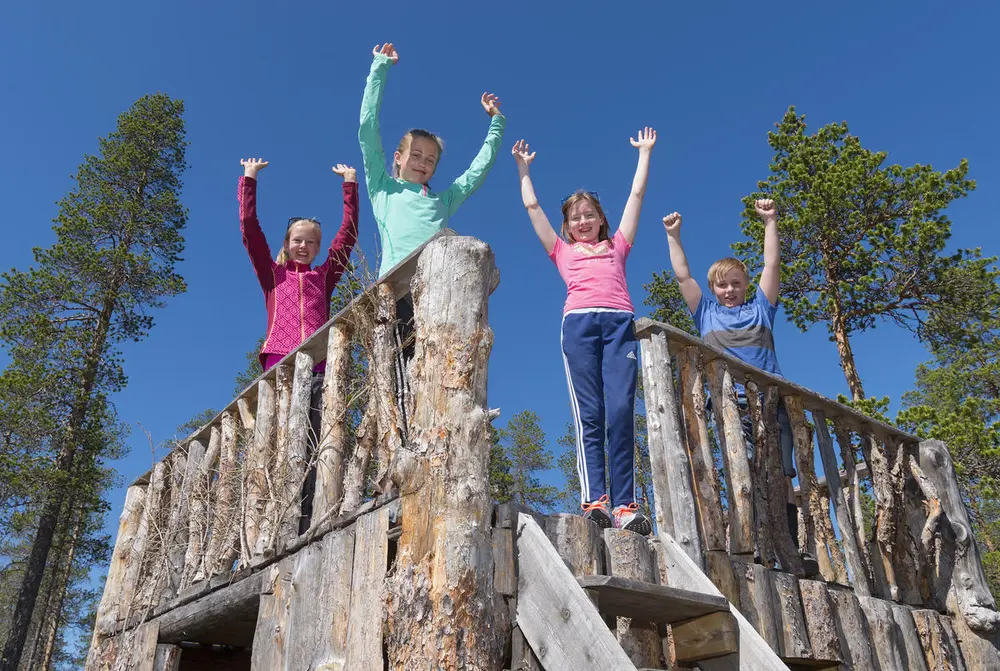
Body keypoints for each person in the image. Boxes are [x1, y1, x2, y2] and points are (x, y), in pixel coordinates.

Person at [511, 129, 657, 535]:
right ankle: (596, 501)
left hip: (618, 325)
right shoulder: (562, 252)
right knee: (589, 414)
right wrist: (523, 169)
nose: (583, 221)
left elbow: (636, 198)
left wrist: (644, 154)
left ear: (600, 219)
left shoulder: (618, 246)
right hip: (578, 326)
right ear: (568, 226)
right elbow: (532, 207)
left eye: (589, 214)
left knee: (621, 411)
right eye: (575, 218)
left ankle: (626, 504)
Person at [662, 199, 818, 574]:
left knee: (780, 476)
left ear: (746, 285)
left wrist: (770, 222)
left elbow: (772, 265)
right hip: (732, 407)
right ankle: (753, 545)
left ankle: (790, 548)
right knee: (742, 473)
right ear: (714, 289)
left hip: (771, 404)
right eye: (722, 285)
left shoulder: (761, 308)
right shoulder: (706, 313)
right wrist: (673, 236)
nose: (729, 290)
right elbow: (684, 277)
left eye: (735, 283)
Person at [359, 41, 506, 436]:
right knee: (395, 374)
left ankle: (436, 438)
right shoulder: (382, 188)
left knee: (439, 369)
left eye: (430, 160)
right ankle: (399, 446)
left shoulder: (442, 200)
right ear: (397, 157)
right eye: (416, 155)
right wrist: (380, 69)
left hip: (439, 293)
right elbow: (367, 128)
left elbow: (476, 172)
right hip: (397, 291)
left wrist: (496, 125)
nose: (423, 163)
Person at [238, 157, 359, 531]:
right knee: (281, 443)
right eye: (297, 241)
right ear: (287, 245)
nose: (303, 246)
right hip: (280, 364)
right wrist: (250, 179)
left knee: (318, 440)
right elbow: (249, 230)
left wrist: (350, 186)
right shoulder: (273, 277)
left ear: (318, 247)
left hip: (321, 367)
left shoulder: (324, 277)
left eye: (310, 242)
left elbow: (348, 235)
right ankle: (274, 520)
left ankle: (314, 518)